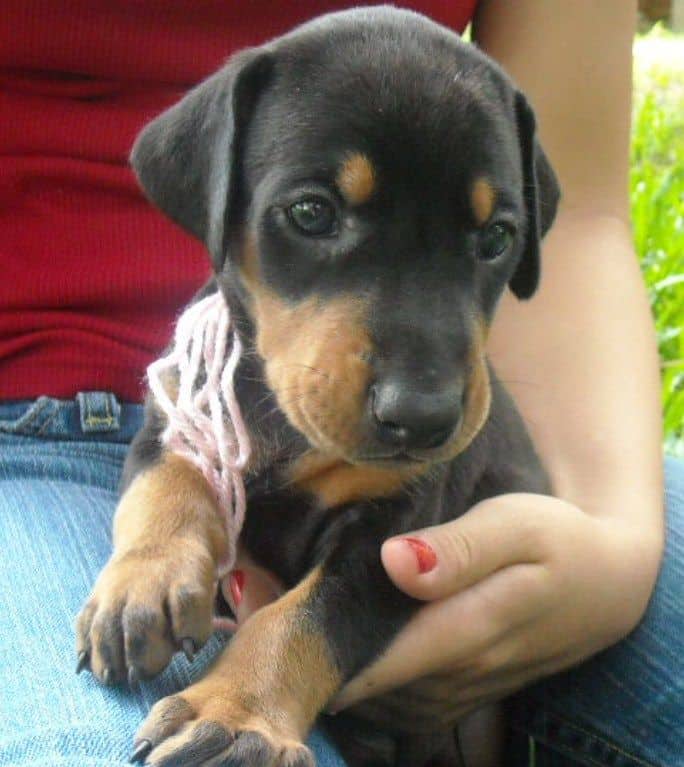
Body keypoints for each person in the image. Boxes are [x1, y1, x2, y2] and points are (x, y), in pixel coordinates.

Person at [0, 2, 680, 766]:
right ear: (217, 202)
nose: (419, 398)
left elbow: (583, 218)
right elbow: (172, 452)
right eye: (316, 215)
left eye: (489, 238)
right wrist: (164, 534)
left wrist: (615, 544)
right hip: (29, 424)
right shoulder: (205, 381)